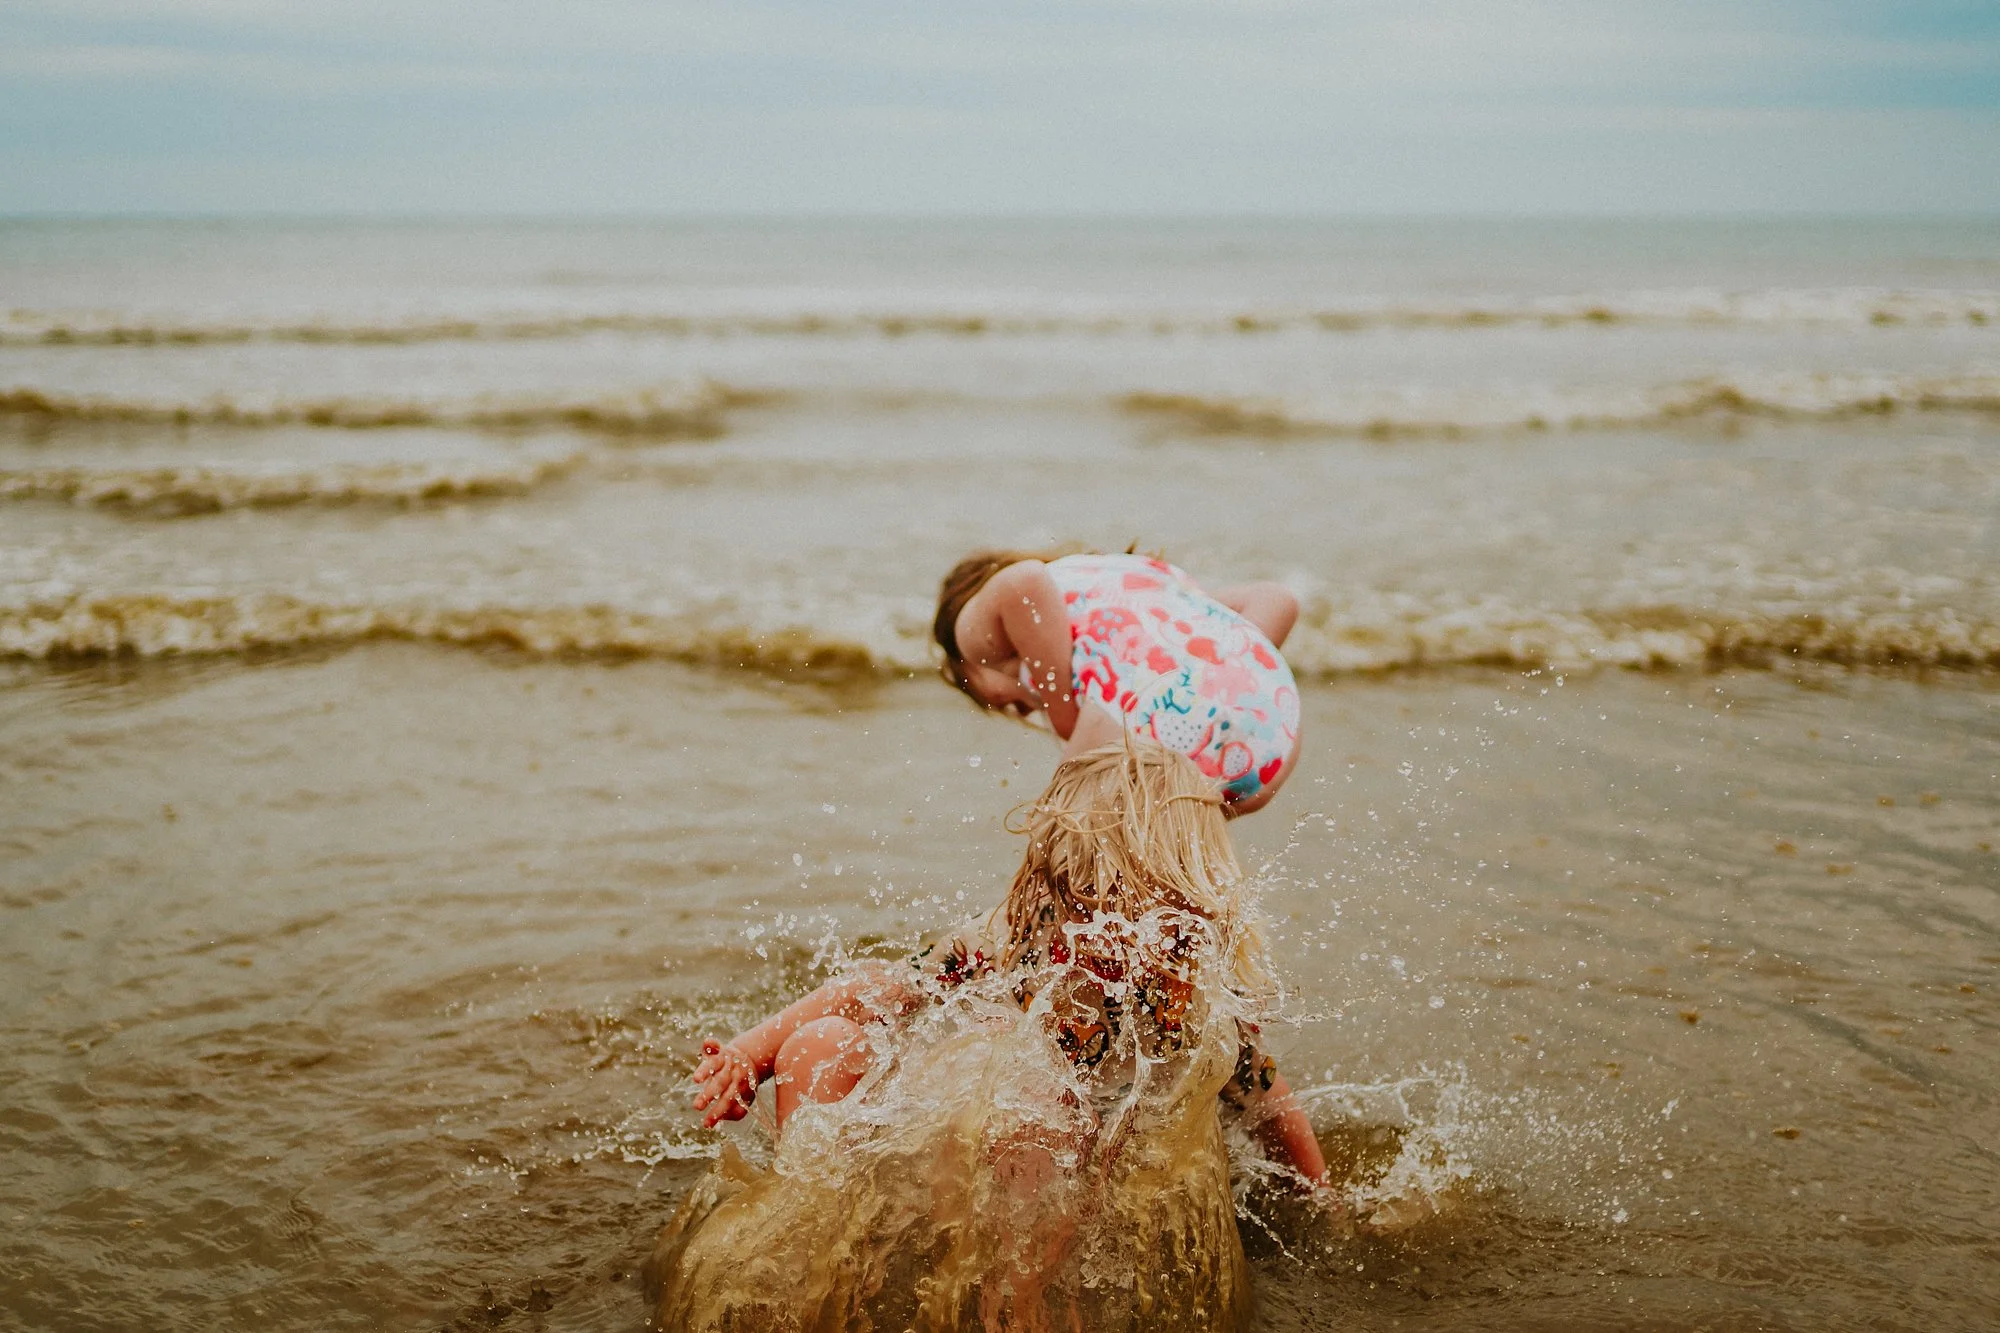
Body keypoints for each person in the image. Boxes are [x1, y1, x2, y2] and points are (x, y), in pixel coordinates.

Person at [689, 742, 1326, 1185]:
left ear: (1187, 904)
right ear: (1049, 883)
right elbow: (884, 987)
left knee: (1054, 1115)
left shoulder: (1194, 1001)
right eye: (1079, 895)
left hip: (1067, 1179)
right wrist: (752, 1051)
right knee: (822, 1045)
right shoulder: (1020, 944)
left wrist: (1318, 1198)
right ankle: (804, 1219)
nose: (1098, 926)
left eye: (1125, 904)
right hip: (971, 1147)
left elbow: (1269, 1100)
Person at [933, 549, 1302, 814]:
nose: (1009, 708)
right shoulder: (1132, 592)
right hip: (1271, 732)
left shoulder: (972, 637)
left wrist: (1062, 711)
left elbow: (1023, 581)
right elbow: (1277, 598)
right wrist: (1223, 679)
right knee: (1145, 873)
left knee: (1058, 854)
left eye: (969, 686)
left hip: (1161, 724)